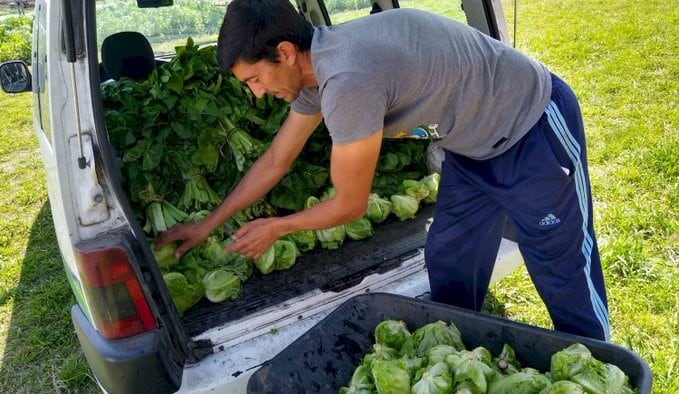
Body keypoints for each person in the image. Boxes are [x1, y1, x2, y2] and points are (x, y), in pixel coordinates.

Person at [156, 0, 610, 341]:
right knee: (451, 257)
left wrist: (277, 227)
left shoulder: (348, 80)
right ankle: (455, 354)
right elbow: (277, 160)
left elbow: (351, 205)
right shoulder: (317, 74)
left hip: (531, 124)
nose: (256, 93)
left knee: (562, 264)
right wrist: (206, 224)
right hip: (471, 149)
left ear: (285, 52)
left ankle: (603, 369)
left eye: (255, 79)